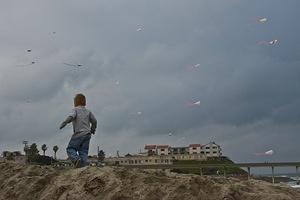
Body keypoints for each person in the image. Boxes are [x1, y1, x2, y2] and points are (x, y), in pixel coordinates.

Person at [59, 94, 97, 168]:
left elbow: (71, 116)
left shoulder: (75, 110)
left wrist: (65, 122)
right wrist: (93, 129)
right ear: (84, 102)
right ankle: (82, 166)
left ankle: (76, 160)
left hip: (79, 134)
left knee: (70, 149)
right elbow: (94, 121)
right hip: (87, 134)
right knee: (83, 151)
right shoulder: (88, 111)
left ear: (75, 102)